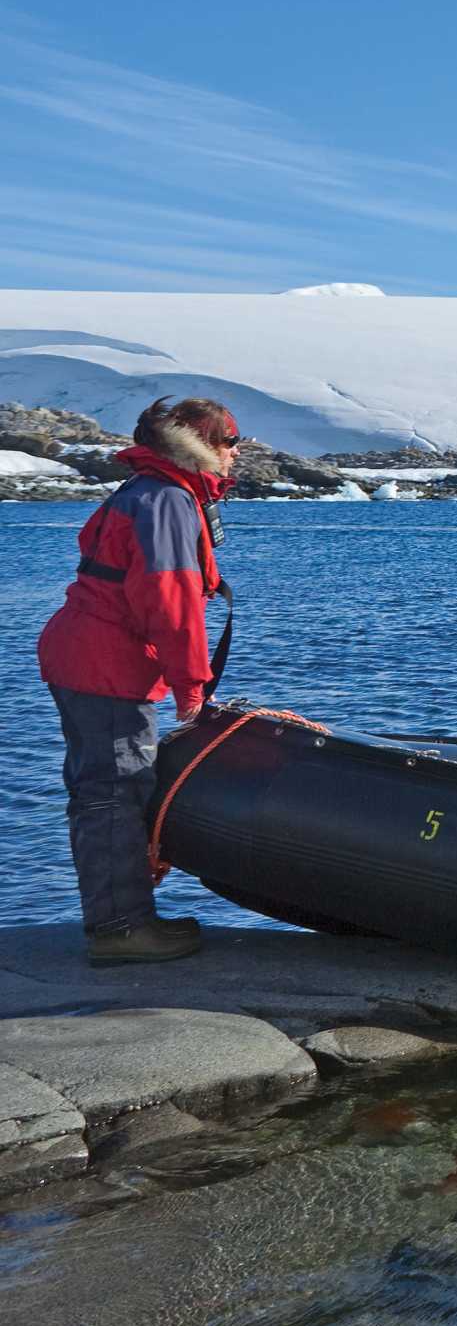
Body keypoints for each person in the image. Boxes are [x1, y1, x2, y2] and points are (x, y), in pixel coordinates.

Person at [37, 396, 243, 964]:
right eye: (228, 442)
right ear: (200, 443)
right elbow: (170, 599)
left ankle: (122, 918)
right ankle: (120, 929)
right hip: (104, 663)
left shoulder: (149, 492)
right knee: (112, 790)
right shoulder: (168, 499)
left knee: (107, 787)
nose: (235, 453)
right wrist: (192, 685)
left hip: (88, 654)